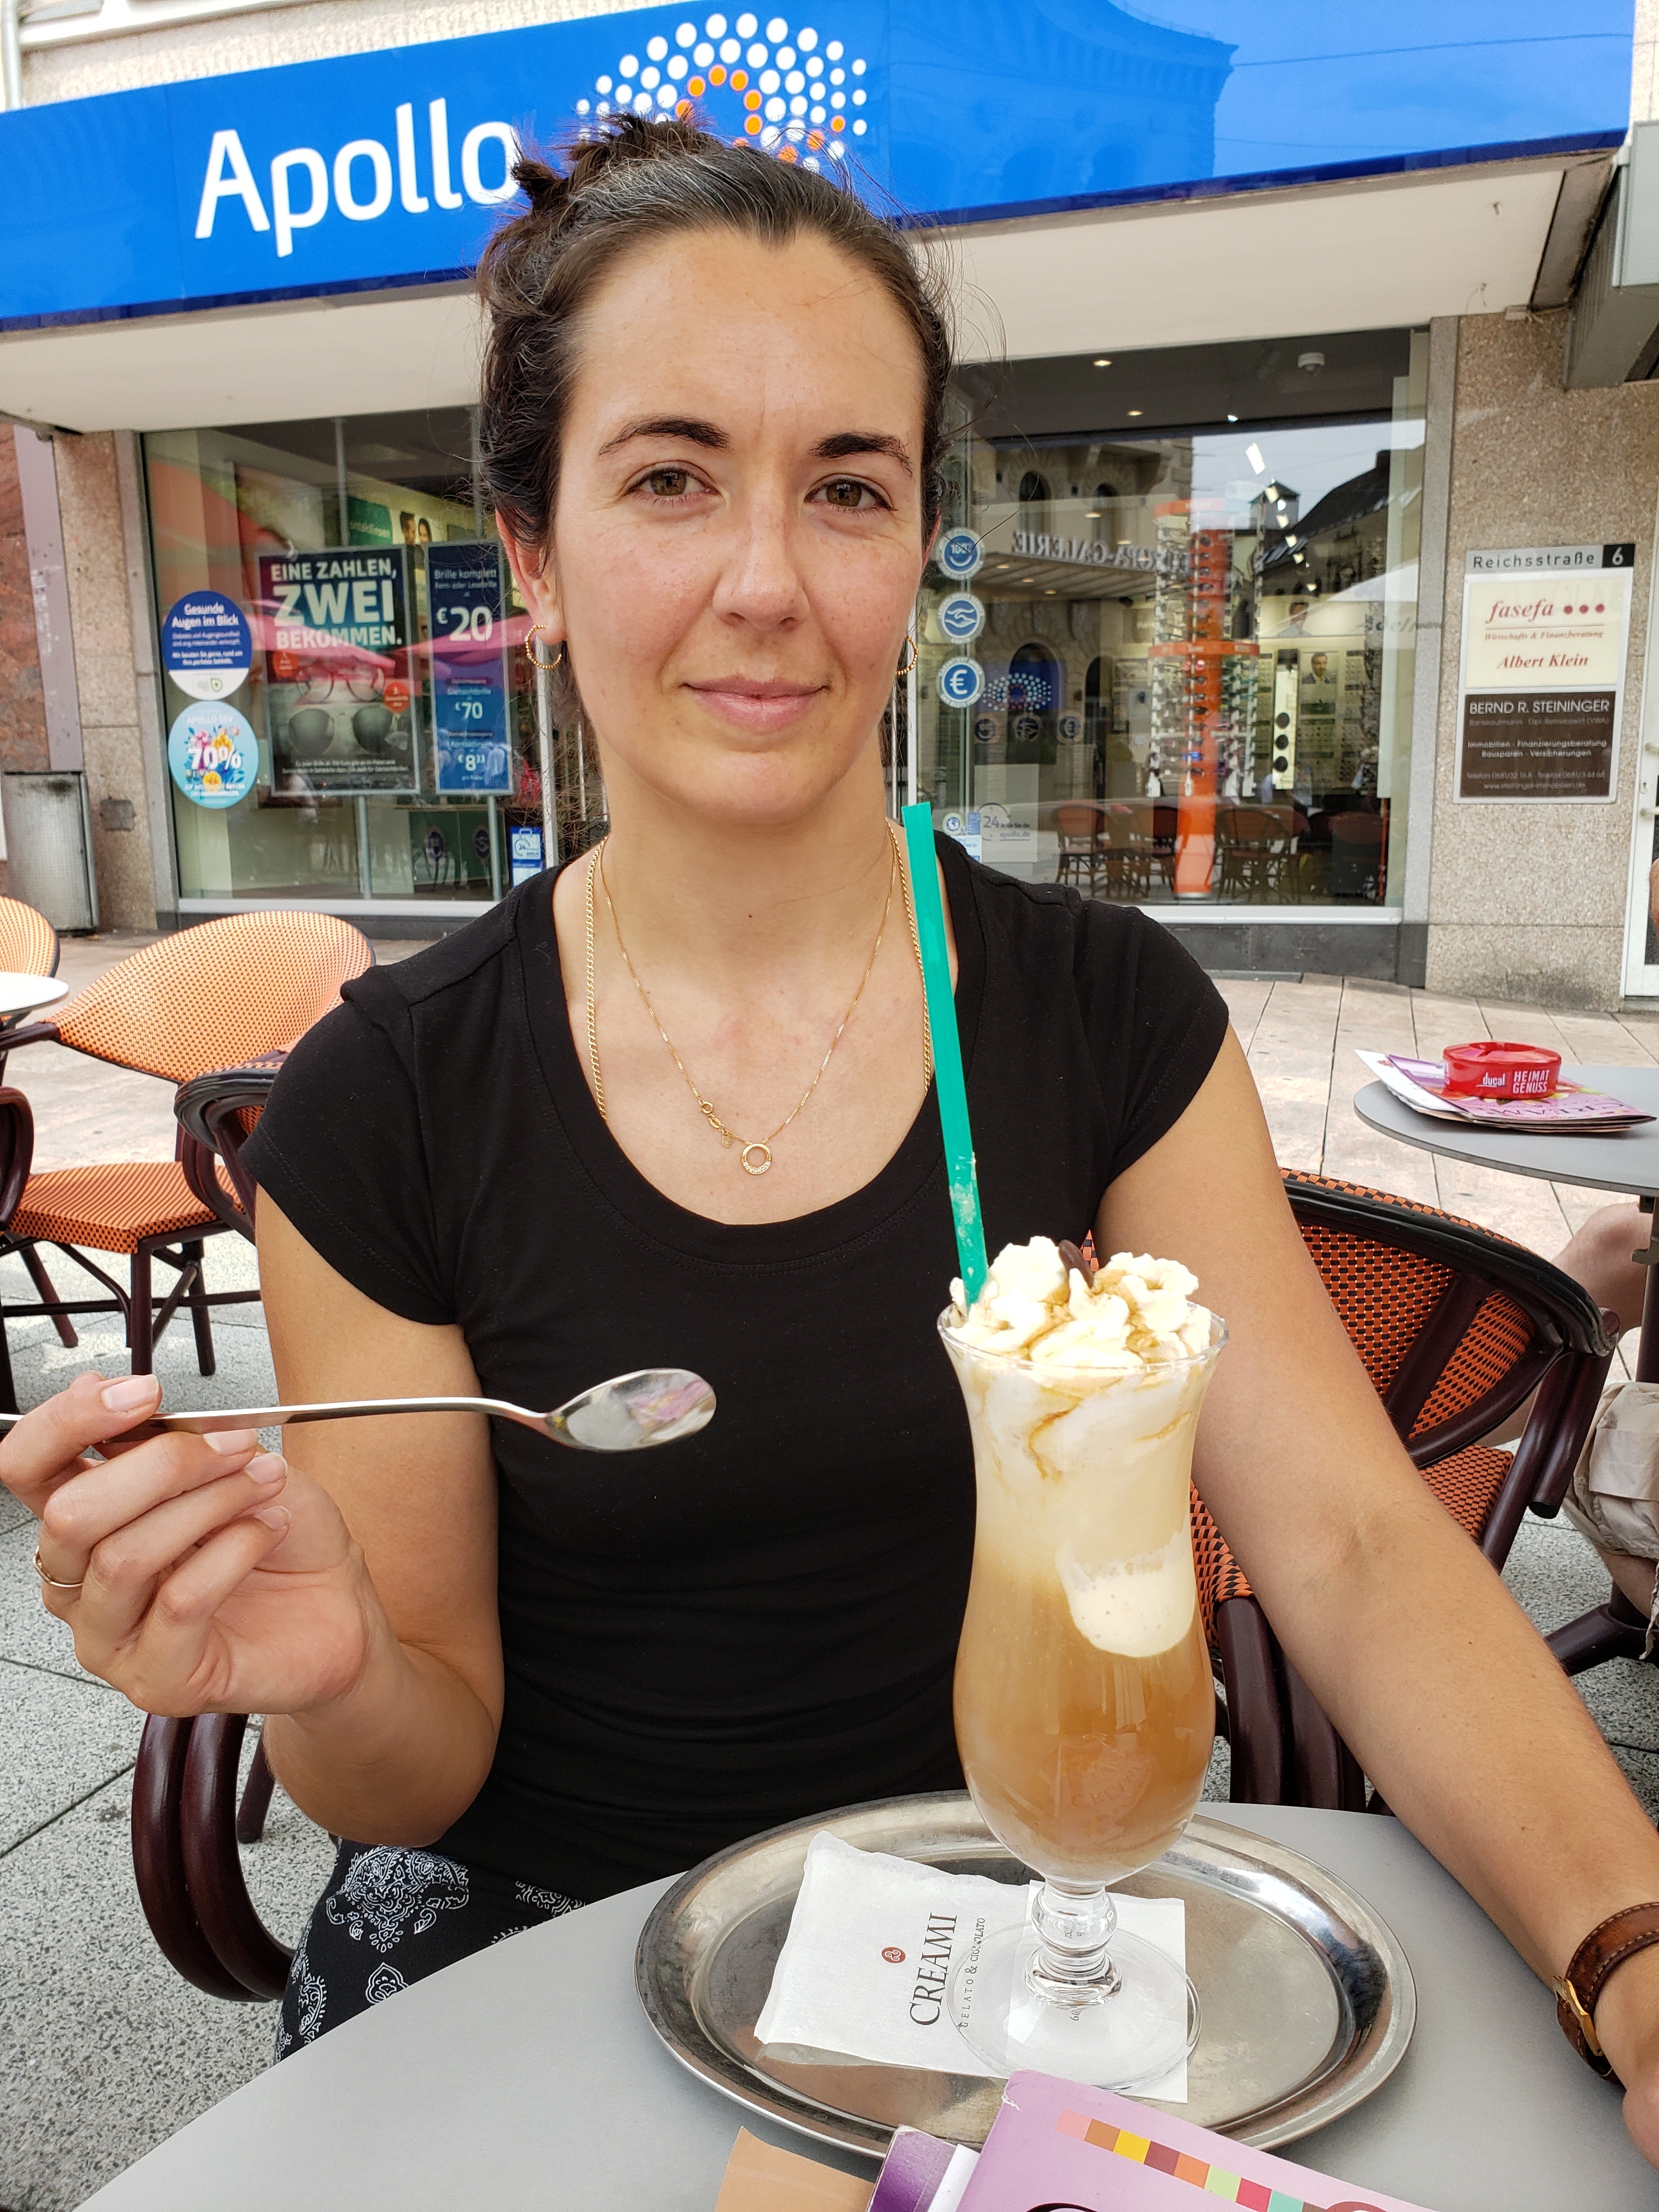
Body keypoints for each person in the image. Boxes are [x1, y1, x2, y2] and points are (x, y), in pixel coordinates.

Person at [9, 118, 1659, 2151]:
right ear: (532, 553)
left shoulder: (1097, 1015)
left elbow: (1348, 1544)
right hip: (532, 1964)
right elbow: (409, 1762)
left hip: (1012, 1931)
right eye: (671, 477)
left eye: (849, 487)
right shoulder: (389, 1098)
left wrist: (1631, 1950)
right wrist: (330, 1668)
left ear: (917, 545)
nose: (769, 583)